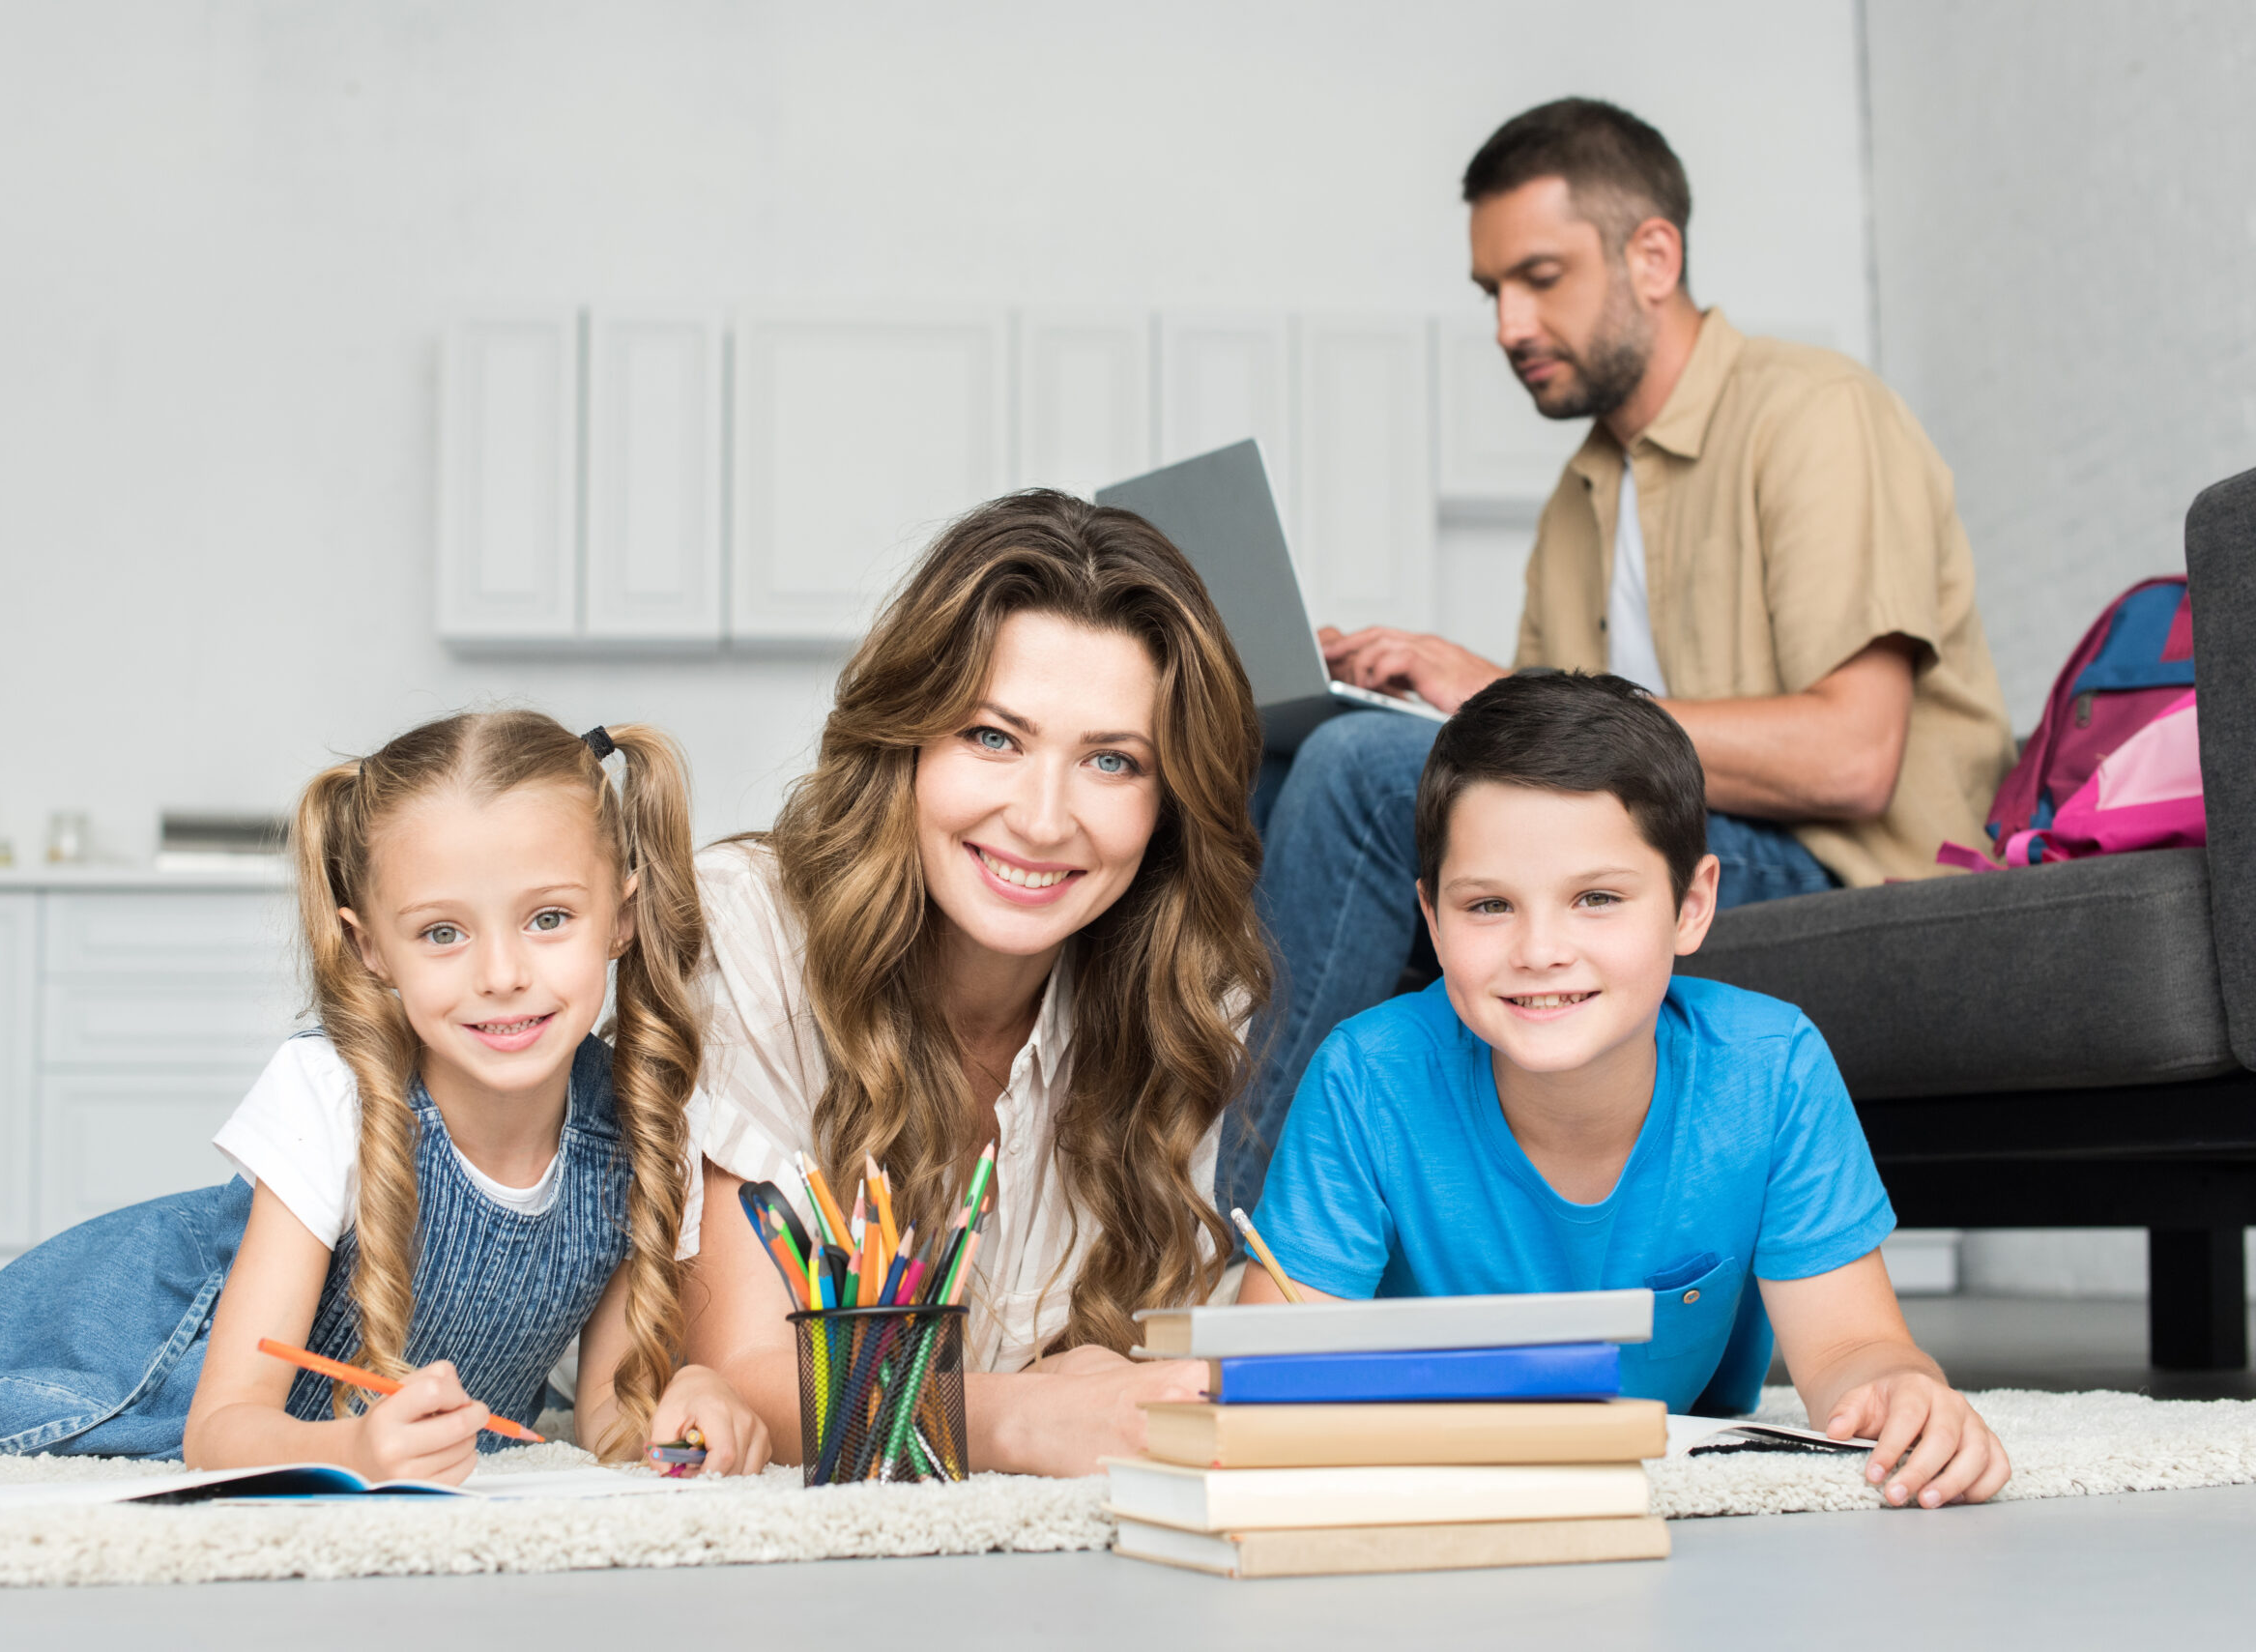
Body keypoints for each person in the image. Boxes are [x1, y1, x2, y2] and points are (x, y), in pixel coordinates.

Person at [1225, 97, 2014, 1213]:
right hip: (1648, 829)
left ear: (1653, 256)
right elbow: (1553, 759)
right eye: (1491, 291)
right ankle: (1210, 1207)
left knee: (1358, 774)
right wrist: (1397, 701)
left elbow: (1852, 755)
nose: (1507, 323)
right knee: (1286, 764)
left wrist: (1491, 693)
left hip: (1831, 852)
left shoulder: (1815, 415)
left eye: (1538, 277)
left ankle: (1248, 1244)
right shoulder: (1579, 498)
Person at [0, 710, 770, 1481]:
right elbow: (221, 1426)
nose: (502, 972)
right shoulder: (331, 1088)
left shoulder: (641, 1121)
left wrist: (685, 1396)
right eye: (442, 933)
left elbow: (602, 1419)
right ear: (367, 945)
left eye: (548, 916)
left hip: (222, 1373)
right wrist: (354, 1455)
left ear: (623, 916)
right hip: (133, 1333)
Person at [1247, 672, 2010, 1509]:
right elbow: (1270, 1359)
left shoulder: (1773, 1065)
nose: (1540, 950)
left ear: (1691, 905)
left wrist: (1900, 1388)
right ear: (1432, 920)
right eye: (1490, 904)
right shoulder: (1366, 1077)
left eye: (1597, 898)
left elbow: (1851, 1350)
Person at [681, 490, 1271, 1477]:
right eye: (993, 737)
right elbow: (741, 1372)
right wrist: (1019, 1418)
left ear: (1168, 803)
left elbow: (1139, 1364)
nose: (1042, 818)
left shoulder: (1188, 993)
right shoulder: (744, 928)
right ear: (905, 739)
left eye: (1112, 760)